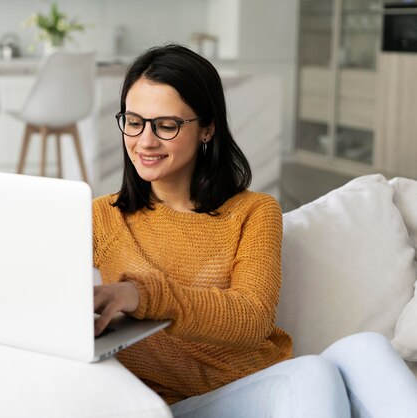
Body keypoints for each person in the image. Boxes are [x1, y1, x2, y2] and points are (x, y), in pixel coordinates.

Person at [91, 44, 417, 417]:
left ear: (207, 129)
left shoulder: (254, 212)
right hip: (178, 406)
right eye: (134, 122)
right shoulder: (103, 217)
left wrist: (140, 294)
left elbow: (251, 318)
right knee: (311, 372)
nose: (145, 141)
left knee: (369, 348)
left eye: (166, 126)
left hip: (263, 388)